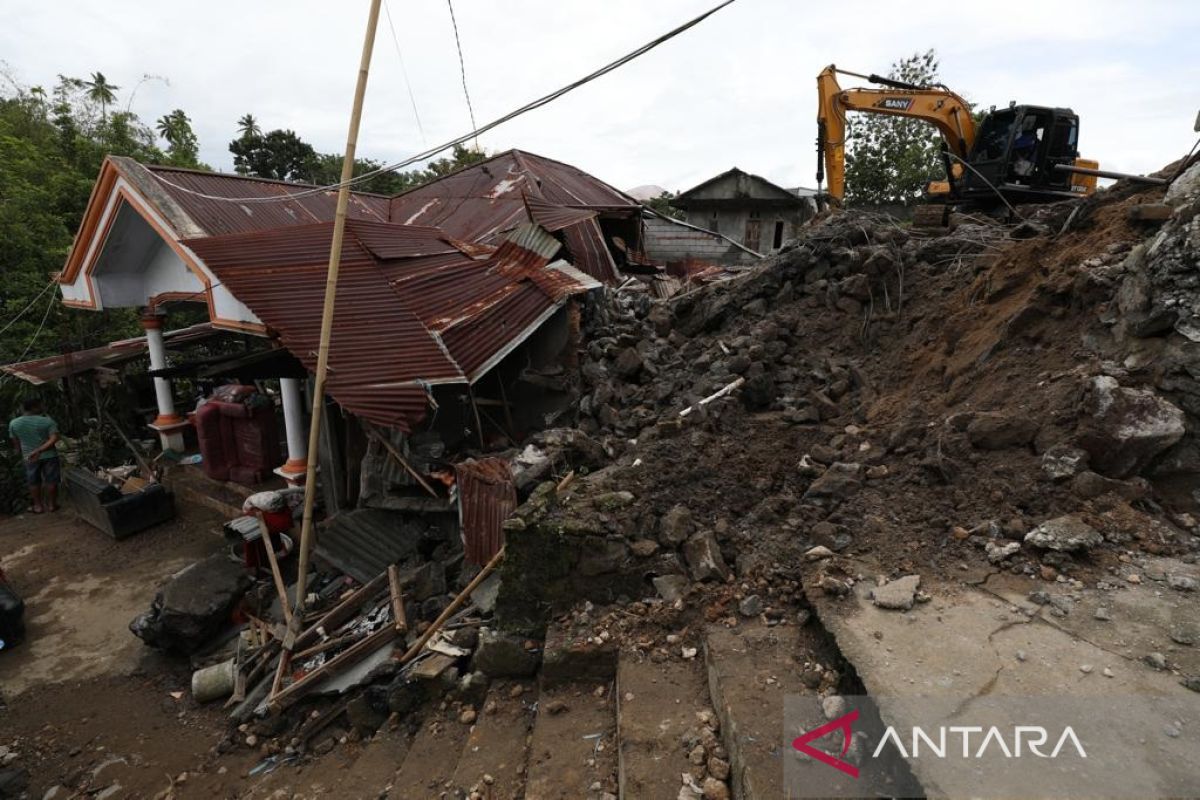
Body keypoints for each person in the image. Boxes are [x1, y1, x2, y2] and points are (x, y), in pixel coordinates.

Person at [9, 397, 60, 513]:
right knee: (51, 480)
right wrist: (40, 450)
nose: (43, 407)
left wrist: (21, 452)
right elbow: (55, 438)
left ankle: (38, 506)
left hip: (29, 457)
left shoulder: (14, 423)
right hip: (49, 455)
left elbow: (15, 441)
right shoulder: (47, 421)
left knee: (33, 481)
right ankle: (52, 505)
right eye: (40, 405)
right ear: (34, 407)